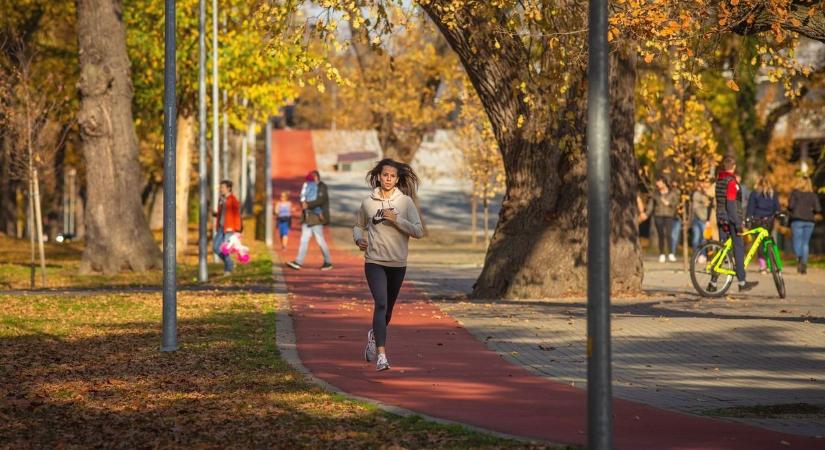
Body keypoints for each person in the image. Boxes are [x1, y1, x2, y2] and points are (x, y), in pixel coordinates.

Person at [354, 158, 424, 371]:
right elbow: (358, 225)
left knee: (388, 310)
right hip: (374, 261)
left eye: (392, 176)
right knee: (381, 303)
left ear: (397, 179)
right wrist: (359, 239)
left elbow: (418, 231)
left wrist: (396, 220)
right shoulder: (368, 202)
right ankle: (382, 356)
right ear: (379, 176)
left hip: (398, 263)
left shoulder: (405, 203)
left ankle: (375, 334)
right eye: (385, 175)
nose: (388, 179)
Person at [710, 156, 758, 292]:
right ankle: (742, 282)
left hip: (720, 217)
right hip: (731, 219)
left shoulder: (719, 180)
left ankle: (712, 283)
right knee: (738, 248)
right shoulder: (731, 182)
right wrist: (737, 224)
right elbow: (731, 205)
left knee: (722, 249)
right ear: (734, 166)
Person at [286, 170, 333, 271]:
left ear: (317, 177)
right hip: (307, 218)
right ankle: (298, 262)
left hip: (316, 218)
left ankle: (328, 262)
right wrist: (303, 203)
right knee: (304, 240)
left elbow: (321, 200)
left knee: (320, 240)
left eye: (314, 178)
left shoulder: (322, 187)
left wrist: (308, 204)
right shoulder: (308, 186)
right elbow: (303, 198)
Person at [788, 177, 822, 274]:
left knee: (797, 242)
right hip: (809, 220)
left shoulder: (795, 193)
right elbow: (818, 209)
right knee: (805, 243)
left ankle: (799, 258)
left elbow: (790, 206)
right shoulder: (812, 195)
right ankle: (804, 263)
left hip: (797, 220)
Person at [746, 176, 780, 274]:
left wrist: (748, 219)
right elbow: (777, 207)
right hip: (769, 221)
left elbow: (750, 208)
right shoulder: (773, 194)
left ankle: (763, 266)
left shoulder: (755, 193)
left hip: (757, 221)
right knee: (768, 241)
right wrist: (777, 215)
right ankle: (771, 265)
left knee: (759, 243)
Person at [642, 176, 679, 263]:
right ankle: (662, 254)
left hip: (669, 215)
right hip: (658, 215)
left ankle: (670, 253)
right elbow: (651, 205)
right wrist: (646, 214)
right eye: (657, 182)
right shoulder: (655, 193)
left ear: (664, 182)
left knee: (669, 234)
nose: (657, 184)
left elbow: (676, 203)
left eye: (659, 182)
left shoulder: (672, 192)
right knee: (661, 235)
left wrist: (669, 203)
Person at [213, 180, 241, 276]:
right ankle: (230, 263)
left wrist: (237, 229)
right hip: (221, 227)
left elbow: (236, 215)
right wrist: (216, 214)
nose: (221, 189)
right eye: (220, 187)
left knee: (225, 249)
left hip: (230, 228)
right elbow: (223, 213)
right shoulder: (221, 199)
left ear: (228, 188)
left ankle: (227, 270)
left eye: (222, 187)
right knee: (216, 248)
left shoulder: (233, 200)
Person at [690, 180, 713, 263]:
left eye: (706, 183)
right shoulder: (697, 194)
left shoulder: (710, 194)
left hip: (707, 220)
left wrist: (708, 220)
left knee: (704, 239)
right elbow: (696, 208)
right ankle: (696, 255)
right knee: (696, 239)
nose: (704, 185)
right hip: (698, 219)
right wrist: (704, 219)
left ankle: (703, 255)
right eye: (703, 183)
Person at [669, 181, 683, 257]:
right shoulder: (670, 195)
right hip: (671, 217)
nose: (675, 190)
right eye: (673, 187)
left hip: (678, 218)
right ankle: (671, 252)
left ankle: (673, 252)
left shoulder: (681, 197)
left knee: (675, 236)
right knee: (671, 236)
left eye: (676, 187)